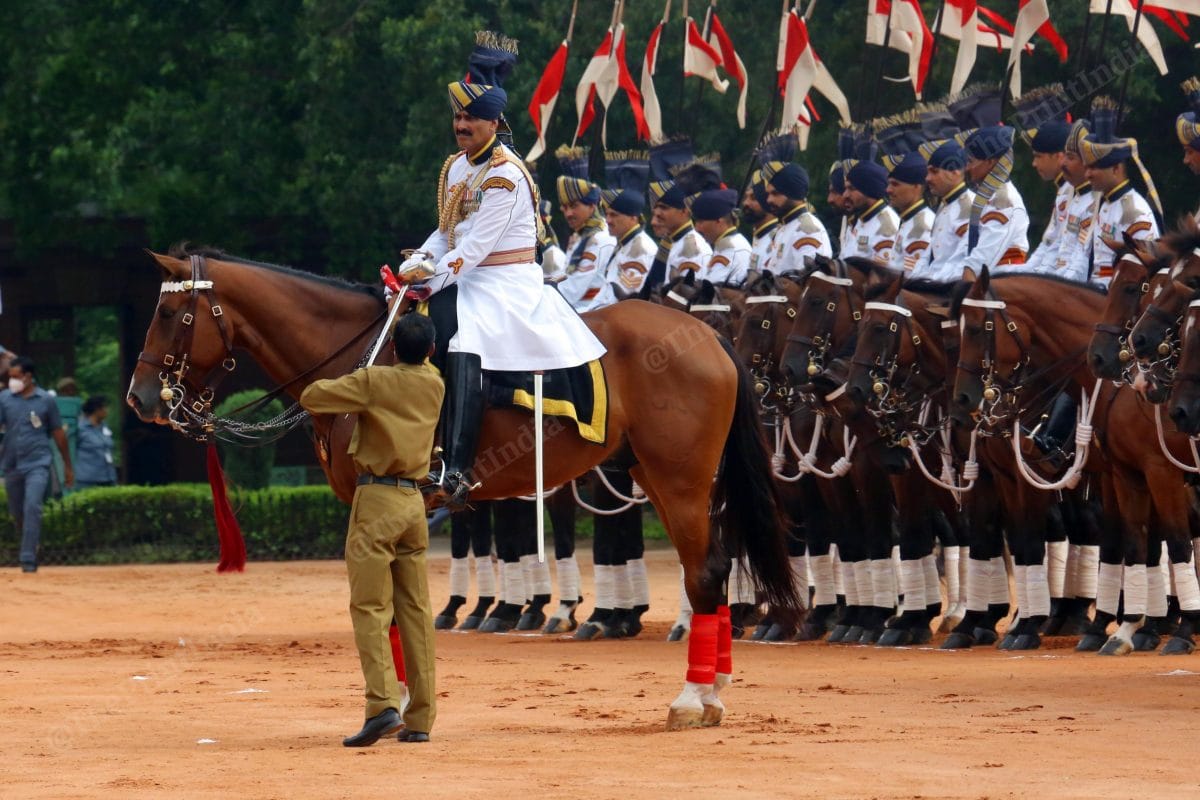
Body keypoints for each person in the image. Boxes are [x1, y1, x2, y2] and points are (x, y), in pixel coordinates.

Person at [395, 31, 606, 509]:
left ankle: (458, 466)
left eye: (471, 117)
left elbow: (474, 248)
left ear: (493, 121)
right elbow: (447, 234)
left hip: (504, 279)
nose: (461, 124)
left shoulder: (506, 174)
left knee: (465, 337)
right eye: (458, 116)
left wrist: (430, 275)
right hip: (464, 272)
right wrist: (415, 263)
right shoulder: (455, 167)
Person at [299, 313, 445, 746]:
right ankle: (420, 717)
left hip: (377, 499)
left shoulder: (374, 380)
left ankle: (382, 705)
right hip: (414, 503)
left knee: (370, 608)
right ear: (432, 351)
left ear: (394, 350)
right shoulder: (435, 382)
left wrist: (362, 367)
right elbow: (417, 362)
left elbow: (312, 395)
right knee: (416, 611)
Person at [1, 357, 73, 572]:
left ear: (28, 376)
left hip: (38, 462)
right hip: (12, 463)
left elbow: (59, 434)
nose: (12, 381)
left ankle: (28, 558)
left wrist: (68, 466)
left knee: (33, 505)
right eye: (10, 377)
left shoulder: (46, 401)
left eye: (15, 377)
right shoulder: (4, 398)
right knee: (17, 512)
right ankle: (30, 542)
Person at [1080, 96, 1161, 287]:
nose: (1087, 174)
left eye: (1094, 168)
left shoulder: (1134, 212)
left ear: (1116, 169)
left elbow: (1143, 274)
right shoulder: (1104, 203)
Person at [1014, 86, 1072, 275]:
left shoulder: (1076, 191)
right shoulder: (1064, 190)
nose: (1033, 163)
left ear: (1059, 156)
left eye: (1038, 156)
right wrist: (1022, 276)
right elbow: (1049, 245)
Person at [554, 145, 616, 311]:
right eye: (564, 208)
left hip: (589, 315)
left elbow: (571, 291)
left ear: (592, 205)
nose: (568, 213)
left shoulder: (598, 239)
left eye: (574, 206)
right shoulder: (580, 236)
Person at [961, 125, 1030, 274]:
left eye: (971, 161)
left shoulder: (1004, 202)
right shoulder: (987, 197)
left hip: (1002, 288)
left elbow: (981, 262)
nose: (967, 168)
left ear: (990, 162)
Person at [1049, 119, 1098, 283]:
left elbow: (1080, 262)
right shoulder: (1069, 195)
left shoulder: (1095, 202)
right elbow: (1052, 248)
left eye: (1070, 157)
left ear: (1087, 162)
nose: (1062, 163)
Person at [601, 153, 657, 295]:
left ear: (633, 218)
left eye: (614, 215)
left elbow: (624, 299)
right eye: (606, 214)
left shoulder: (639, 250)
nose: (607, 220)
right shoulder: (626, 244)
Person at [764, 161, 832, 273]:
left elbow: (807, 282)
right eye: (768, 194)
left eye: (775, 193)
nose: (769, 200)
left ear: (792, 193)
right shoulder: (784, 228)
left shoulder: (807, 229)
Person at [919, 140, 974, 282]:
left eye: (934, 172)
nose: (927, 178)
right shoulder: (945, 205)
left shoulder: (969, 207)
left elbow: (963, 260)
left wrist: (930, 284)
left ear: (954, 173)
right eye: (927, 172)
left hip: (951, 287)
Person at [885, 151, 934, 274]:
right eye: (889, 183)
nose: (888, 190)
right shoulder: (910, 220)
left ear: (917, 187)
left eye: (895, 184)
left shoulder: (921, 227)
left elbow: (912, 279)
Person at [843, 160, 899, 265]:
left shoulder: (886, 228)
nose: (845, 195)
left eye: (851, 189)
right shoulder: (861, 219)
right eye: (845, 189)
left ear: (869, 190)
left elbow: (881, 278)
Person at [691, 188, 752, 285]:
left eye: (701, 221)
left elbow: (710, 292)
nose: (697, 228)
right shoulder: (726, 244)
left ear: (719, 221)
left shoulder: (731, 248)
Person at [74, 395, 118, 489]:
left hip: (108, 477)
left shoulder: (104, 427)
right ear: (96, 409)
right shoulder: (80, 428)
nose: (107, 410)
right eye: (104, 407)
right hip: (87, 480)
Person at [742, 171, 779, 273]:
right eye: (745, 197)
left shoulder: (778, 239)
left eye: (754, 198)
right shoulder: (759, 237)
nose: (746, 203)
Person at [53, 377, 82, 496]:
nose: (70, 392)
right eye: (67, 389)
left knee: (72, 465)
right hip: (56, 435)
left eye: (72, 389)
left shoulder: (78, 402)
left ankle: (70, 494)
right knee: (59, 465)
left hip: (73, 436)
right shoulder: (54, 402)